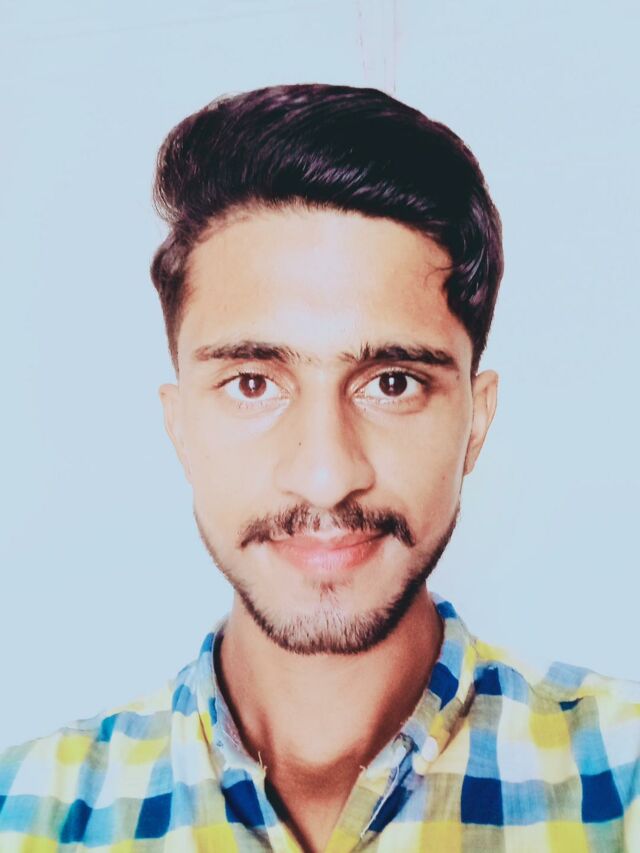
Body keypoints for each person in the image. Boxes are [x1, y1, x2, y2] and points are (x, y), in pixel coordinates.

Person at [0, 83, 638, 853]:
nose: (327, 475)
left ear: (476, 421)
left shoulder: (624, 783)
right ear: (180, 426)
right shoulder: (23, 813)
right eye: (252, 384)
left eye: (392, 383)